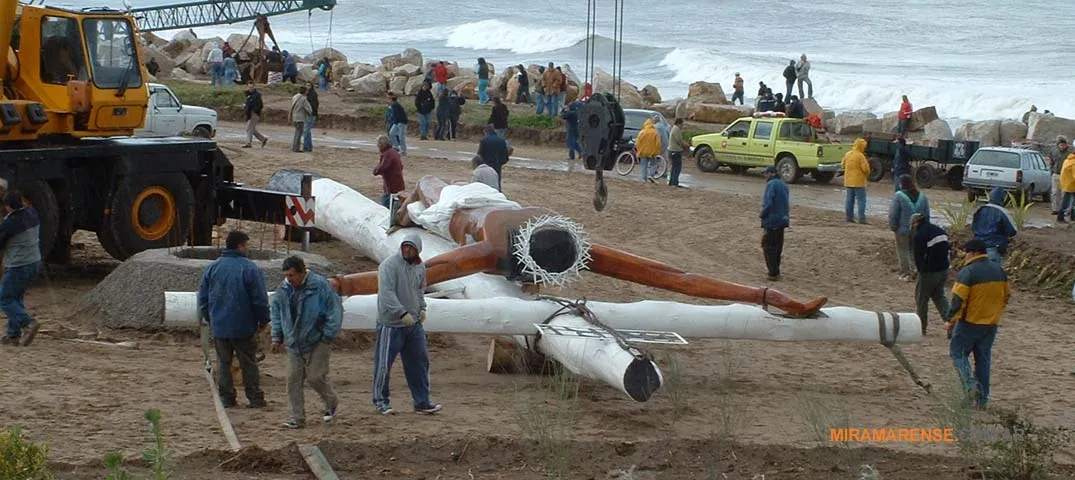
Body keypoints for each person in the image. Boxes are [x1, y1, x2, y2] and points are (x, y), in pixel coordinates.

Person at [197, 230, 269, 408]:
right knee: (248, 362)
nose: (248, 249)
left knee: (223, 362)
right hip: (243, 324)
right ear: (240, 246)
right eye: (246, 245)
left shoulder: (213, 268)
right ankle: (255, 398)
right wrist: (263, 319)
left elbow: (203, 298)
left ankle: (227, 398)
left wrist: (211, 318)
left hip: (220, 325)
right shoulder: (250, 268)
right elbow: (259, 299)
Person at [270, 255, 342, 429]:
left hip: (318, 340)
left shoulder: (321, 286)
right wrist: (277, 337)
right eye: (286, 275)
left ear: (302, 272)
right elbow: (277, 314)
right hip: (294, 342)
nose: (289, 279)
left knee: (315, 377)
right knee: (293, 381)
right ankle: (297, 418)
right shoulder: (283, 290)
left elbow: (334, 310)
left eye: (292, 275)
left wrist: (328, 335)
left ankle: (331, 401)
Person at [373, 235, 442, 415]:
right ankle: (381, 401)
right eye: (405, 247)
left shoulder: (420, 267)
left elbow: (420, 289)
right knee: (384, 365)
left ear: (417, 250)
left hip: (414, 324)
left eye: (410, 248)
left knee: (420, 363)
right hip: (391, 324)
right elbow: (387, 294)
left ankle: (422, 401)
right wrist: (401, 313)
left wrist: (422, 308)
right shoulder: (388, 266)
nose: (407, 250)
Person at [945, 238, 1010, 409]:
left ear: (973, 253)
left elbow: (958, 301)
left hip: (969, 322)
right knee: (983, 360)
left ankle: (969, 385)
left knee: (958, 354)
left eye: (966, 252)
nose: (965, 256)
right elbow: (1006, 296)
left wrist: (950, 321)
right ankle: (982, 400)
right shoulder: (999, 270)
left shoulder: (968, 272)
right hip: (991, 324)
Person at [0, 191, 41, 347]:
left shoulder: (11, 223)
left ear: (8, 206)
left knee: (5, 298)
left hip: (19, 265)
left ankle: (27, 323)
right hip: (34, 262)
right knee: (16, 298)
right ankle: (13, 335)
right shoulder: (32, 213)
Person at [911, 212, 949, 335]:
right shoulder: (939, 230)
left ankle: (921, 328)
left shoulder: (920, 235)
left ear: (916, 223)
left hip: (929, 272)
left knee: (921, 299)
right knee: (939, 297)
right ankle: (951, 323)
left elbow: (918, 256)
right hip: (943, 270)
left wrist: (920, 270)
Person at [888, 175, 930, 281]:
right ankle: (916, 271)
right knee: (915, 251)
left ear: (901, 184)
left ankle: (905, 273)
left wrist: (893, 226)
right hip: (918, 230)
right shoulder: (922, 197)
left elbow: (893, 214)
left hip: (902, 229)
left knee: (903, 251)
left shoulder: (898, 196)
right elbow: (927, 214)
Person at [970, 187, 1017, 266]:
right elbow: (1012, 231)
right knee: (994, 271)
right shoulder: (1002, 212)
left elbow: (973, 227)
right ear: (1003, 199)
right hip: (994, 247)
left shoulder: (980, 210)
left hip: (978, 248)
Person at [760, 166, 790, 281]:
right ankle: (776, 271)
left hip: (772, 220)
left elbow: (768, 202)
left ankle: (773, 273)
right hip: (783, 219)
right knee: (778, 247)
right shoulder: (783, 184)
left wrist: (762, 214)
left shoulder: (771, 184)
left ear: (772, 174)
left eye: (766, 173)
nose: (764, 176)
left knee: (768, 247)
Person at [841, 138, 870, 223]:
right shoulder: (861, 156)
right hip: (859, 182)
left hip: (848, 181)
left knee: (849, 200)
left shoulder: (848, 154)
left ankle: (849, 217)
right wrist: (867, 175)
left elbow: (842, 165)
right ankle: (861, 218)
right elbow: (866, 169)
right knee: (861, 201)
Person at [373, 135, 405, 208]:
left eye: (378, 144)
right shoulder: (393, 152)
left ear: (381, 145)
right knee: (392, 200)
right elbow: (401, 166)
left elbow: (382, 167)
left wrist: (376, 171)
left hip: (392, 184)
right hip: (397, 182)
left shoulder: (387, 154)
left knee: (385, 201)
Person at [477, 125, 509, 191]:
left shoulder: (484, 140)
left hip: (486, 163)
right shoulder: (502, 140)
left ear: (486, 132)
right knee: (497, 180)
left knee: (485, 181)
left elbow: (480, 153)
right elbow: (505, 154)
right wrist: (501, 162)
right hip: (497, 164)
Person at [241, 84, 268, 148]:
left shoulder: (256, 95)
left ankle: (248, 143)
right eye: (249, 87)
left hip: (254, 114)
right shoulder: (249, 95)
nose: (250, 88)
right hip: (250, 114)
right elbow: (248, 104)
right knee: (252, 129)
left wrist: (254, 111)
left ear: (254, 87)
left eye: (251, 87)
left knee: (248, 128)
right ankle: (263, 139)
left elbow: (260, 105)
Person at [1050, 136, 1071, 214]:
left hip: (1066, 176)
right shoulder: (1054, 152)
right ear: (1058, 145)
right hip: (1056, 174)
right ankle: (1055, 209)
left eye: (1063, 145)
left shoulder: (1069, 153)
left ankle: (1063, 209)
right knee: (1055, 192)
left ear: (1066, 145)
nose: (1062, 146)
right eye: (1061, 145)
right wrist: (1052, 171)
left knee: (1064, 193)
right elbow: (1051, 162)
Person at [636, 119, 661, 183]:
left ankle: (644, 178)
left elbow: (638, 142)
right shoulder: (655, 132)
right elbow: (658, 143)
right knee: (653, 164)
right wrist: (657, 151)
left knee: (643, 165)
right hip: (652, 152)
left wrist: (639, 150)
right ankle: (651, 175)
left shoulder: (642, 132)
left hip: (643, 152)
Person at [288, 85, 313, 153]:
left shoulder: (295, 96)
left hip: (294, 117)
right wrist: (309, 114)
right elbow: (309, 109)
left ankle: (294, 147)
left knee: (296, 132)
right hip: (300, 118)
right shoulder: (303, 99)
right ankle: (296, 148)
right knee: (299, 133)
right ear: (305, 91)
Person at [561, 98, 583, 170]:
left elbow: (563, 116)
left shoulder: (571, 113)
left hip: (571, 130)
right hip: (577, 130)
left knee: (571, 143)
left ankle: (572, 156)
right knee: (574, 143)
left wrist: (563, 110)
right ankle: (581, 152)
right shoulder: (578, 112)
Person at [667, 118, 688, 187]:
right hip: (675, 150)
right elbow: (679, 140)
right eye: (682, 124)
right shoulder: (676, 130)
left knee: (674, 167)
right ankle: (674, 182)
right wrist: (685, 145)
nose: (682, 125)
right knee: (677, 167)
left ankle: (672, 182)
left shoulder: (674, 128)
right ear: (679, 123)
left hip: (672, 150)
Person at [1056, 153, 1075, 223]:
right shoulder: (1073, 163)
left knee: (1067, 201)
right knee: (1067, 202)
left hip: (1067, 184)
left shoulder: (1067, 160)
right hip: (1071, 185)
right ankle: (1062, 217)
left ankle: (1070, 217)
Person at [303, 82, 318, 152]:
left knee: (306, 131)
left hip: (311, 114)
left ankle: (306, 147)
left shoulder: (312, 94)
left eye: (309, 85)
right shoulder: (307, 94)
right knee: (307, 131)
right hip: (308, 114)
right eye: (306, 85)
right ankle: (309, 147)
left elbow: (313, 105)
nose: (307, 87)